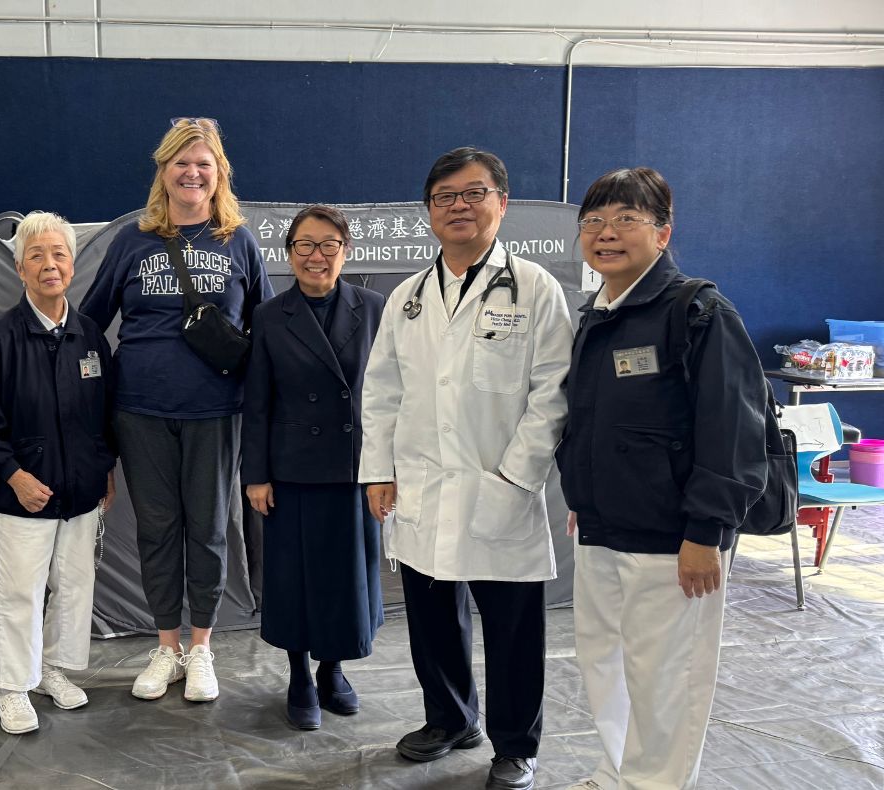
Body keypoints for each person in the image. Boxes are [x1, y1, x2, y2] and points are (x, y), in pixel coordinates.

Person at [359, 147, 572, 790]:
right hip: (422, 487)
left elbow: (552, 391)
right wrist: (378, 471)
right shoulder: (408, 297)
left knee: (512, 629)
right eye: (444, 197)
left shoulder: (534, 288)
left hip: (497, 485)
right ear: (428, 212)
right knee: (430, 617)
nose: (458, 206)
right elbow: (382, 391)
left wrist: (517, 476)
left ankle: (514, 744)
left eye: (472, 193)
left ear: (501, 204)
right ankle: (450, 719)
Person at [558, 168, 767, 790]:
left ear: (663, 232)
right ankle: (616, 772)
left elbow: (734, 429)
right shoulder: (597, 313)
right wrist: (584, 493)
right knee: (607, 664)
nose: (606, 233)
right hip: (599, 527)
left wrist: (706, 530)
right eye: (593, 221)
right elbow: (591, 420)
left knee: (665, 676)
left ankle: (654, 783)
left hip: (672, 539)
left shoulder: (698, 311)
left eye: (626, 219)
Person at [81, 117, 273, 703]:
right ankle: (167, 646)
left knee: (211, 531)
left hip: (216, 412)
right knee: (158, 531)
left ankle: (203, 648)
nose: (192, 173)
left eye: (204, 164)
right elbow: (90, 322)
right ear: (163, 172)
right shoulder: (133, 241)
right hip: (140, 412)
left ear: (220, 176)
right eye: (181, 163)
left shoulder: (237, 241)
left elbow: (263, 328)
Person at [0, 211, 117, 735]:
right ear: (21, 268)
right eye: (37, 256)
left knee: (74, 584)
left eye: (59, 255)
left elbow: (103, 414)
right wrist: (14, 476)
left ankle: (53, 669)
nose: (50, 265)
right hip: (22, 495)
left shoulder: (90, 335)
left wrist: (104, 469)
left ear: (72, 264)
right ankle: (12, 686)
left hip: (81, 492)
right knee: (21, 591)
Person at [240, 204, 385, 730]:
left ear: (345, 251)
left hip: (352, 468)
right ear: (289, 254)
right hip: (291, 469)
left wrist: (386, 468)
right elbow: (256, 402)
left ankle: (334, 669)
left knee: (344, 578)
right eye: (304, 245)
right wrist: (255, 474)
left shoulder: (373, 307)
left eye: (328, 245)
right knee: (294, 578)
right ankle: (299, 674)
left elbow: (387, 396)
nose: (316, 256)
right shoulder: (268, 316)